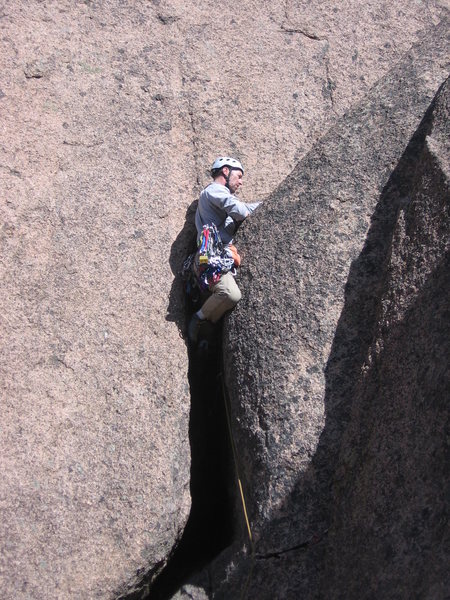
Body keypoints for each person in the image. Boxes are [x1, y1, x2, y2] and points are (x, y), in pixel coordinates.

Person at [188, 156, 260, 342]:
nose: (241, 181)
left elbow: (242, 209)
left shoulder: (219, 200)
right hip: (211, 258)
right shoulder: (214, 191)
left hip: (217, 258)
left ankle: (207, 326)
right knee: (231, 294)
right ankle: (199, 319)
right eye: (239, 175)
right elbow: (242, 211)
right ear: (226, 171)